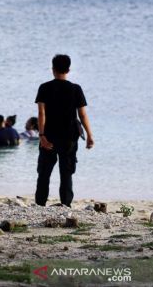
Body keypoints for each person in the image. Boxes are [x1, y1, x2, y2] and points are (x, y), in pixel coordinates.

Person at [35, 54, 94, 208]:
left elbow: (42, 113)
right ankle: (65, 204)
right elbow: (82, 114)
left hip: (49, 136)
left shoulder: (44, 87)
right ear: (68, 69)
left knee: (44, 172)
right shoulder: (75, 89)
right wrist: (89, 135)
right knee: (66, 172)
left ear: (53, 69)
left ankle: (40, 203)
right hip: (69, 137)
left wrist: (41, 136)